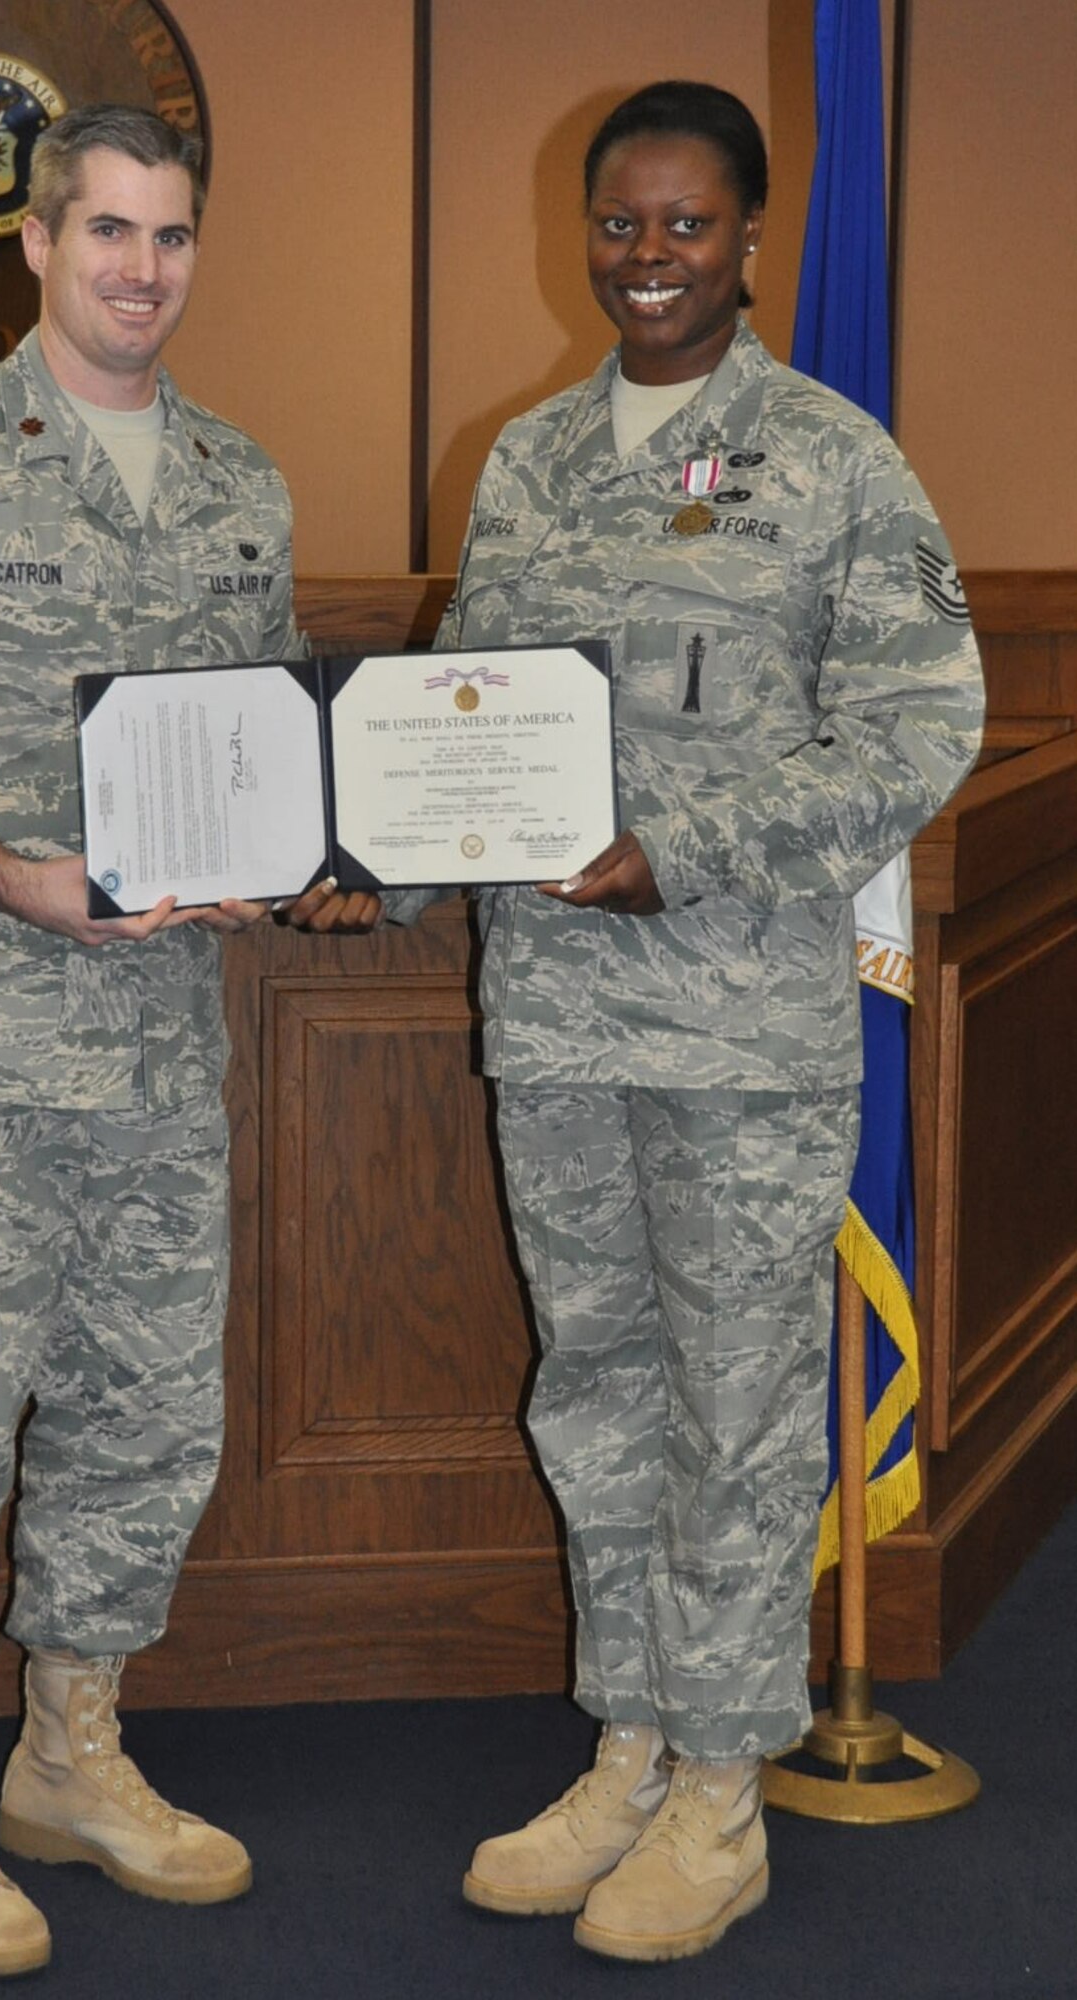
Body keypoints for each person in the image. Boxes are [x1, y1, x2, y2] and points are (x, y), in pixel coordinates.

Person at [0, 103, 374, 1980]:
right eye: (105, 231)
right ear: (33, 243)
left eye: (172, 237)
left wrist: (314, 862)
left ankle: (75, 1756)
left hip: (155, 1061)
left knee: (144, 1423)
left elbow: (257, 751)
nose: (140, 270)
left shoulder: (235, 483)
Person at [440, 81, 983, 1962]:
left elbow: (923, 724)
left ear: (749, 240)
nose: (646, 256)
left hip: (743, 1026)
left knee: (740, 1416)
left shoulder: (836, 460)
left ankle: (728, 1791)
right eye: (617, 224)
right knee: (595, 1390)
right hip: (564, 1026)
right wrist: (379, 842)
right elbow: (468, 716)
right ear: (577, 235)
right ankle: (631, 1740)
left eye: (683, 224)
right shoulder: (524, 461)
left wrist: (696, 848)